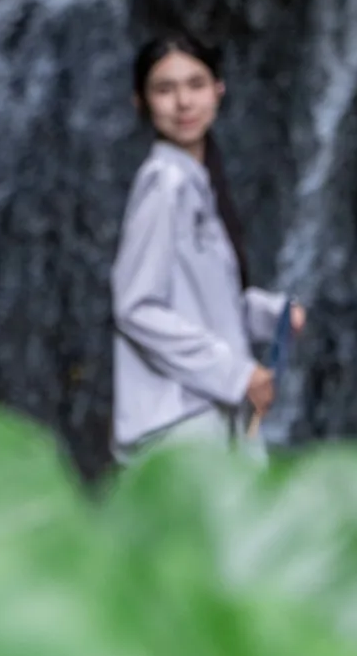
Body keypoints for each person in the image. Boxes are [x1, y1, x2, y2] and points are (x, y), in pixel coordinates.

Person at [111, 32, 304, 460]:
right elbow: (136, 307)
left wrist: (272, 315)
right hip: (176, 424)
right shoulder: (164, 184)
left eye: (195, 84)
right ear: (141, 102)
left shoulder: (196, 182)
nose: (183, 102)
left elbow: (201, 303)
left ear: (218, 90)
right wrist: (238, 374)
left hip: (202, 419)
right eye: (165, 89)